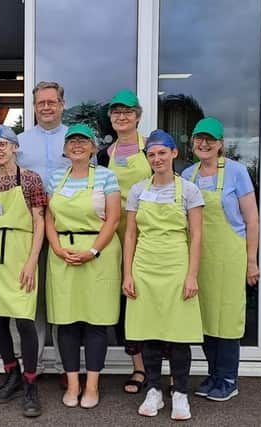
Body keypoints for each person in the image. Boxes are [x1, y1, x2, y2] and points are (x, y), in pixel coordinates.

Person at [122, 130, 204, 421]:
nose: (156, 158)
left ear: (173, 154)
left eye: (161, 153)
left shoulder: (190, 191)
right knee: (149, 332)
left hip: (176, 266)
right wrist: (127, 273)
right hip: (144, 267)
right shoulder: (137, 190)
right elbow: (130, 235)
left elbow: (196, 236)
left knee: (179, 334)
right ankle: (154, 389)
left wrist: (192, 275)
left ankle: (180, 392)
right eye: (151, 154)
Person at [181, 117, 260, 401]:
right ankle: (213, 374)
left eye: (210, 140)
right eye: (199, 139)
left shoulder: (237, 172)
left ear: (220, 144)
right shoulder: (187, 175)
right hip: (199, 257)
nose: (204, 144)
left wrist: (252, 260)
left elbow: (252, 219)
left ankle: (228, 378)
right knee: (204, 318)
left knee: (226, 317)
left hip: (228, 255)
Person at [45, 123, 122, 409]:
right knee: (66, 323)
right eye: (72, 141)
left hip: (98, 255)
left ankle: (92, 386)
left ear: (93, 148)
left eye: (83, 141)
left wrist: (92, 250)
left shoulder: (106, 177)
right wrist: (56, 248)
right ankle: (72, 384)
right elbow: (49, 218)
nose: (77, 145)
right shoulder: (55, 178)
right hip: (63, 254)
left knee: (95, 323)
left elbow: (113, 219)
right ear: (65, 149)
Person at [0, 125, 46, 417]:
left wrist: (32, 261)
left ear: (15, 147)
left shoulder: (30, 180)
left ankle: (30, 383)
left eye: (2, 144)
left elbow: (40, 222)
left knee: (24, 321)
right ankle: (12, 374)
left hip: (21, 253)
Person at [97, 89, 152, 394]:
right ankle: (139, 367)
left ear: (138, 116)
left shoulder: (152, 147)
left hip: (151, 236)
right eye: (116, 112)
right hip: (115, 238)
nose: (121, 116)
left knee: (154, 299)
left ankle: (161, 366)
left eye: (127, 111)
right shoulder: (105, 155)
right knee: (126, 300)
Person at [15, 81, 71, 384]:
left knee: (62, 299)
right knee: (29, 298)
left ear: (62, 104)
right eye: (41, 103)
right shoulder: (20, 143)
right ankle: (30, 365)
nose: (46, 107)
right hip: (29, 229)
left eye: (52, 102)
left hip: (66, 229)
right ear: (34, 107)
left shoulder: (75, 140)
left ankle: (67, 366)